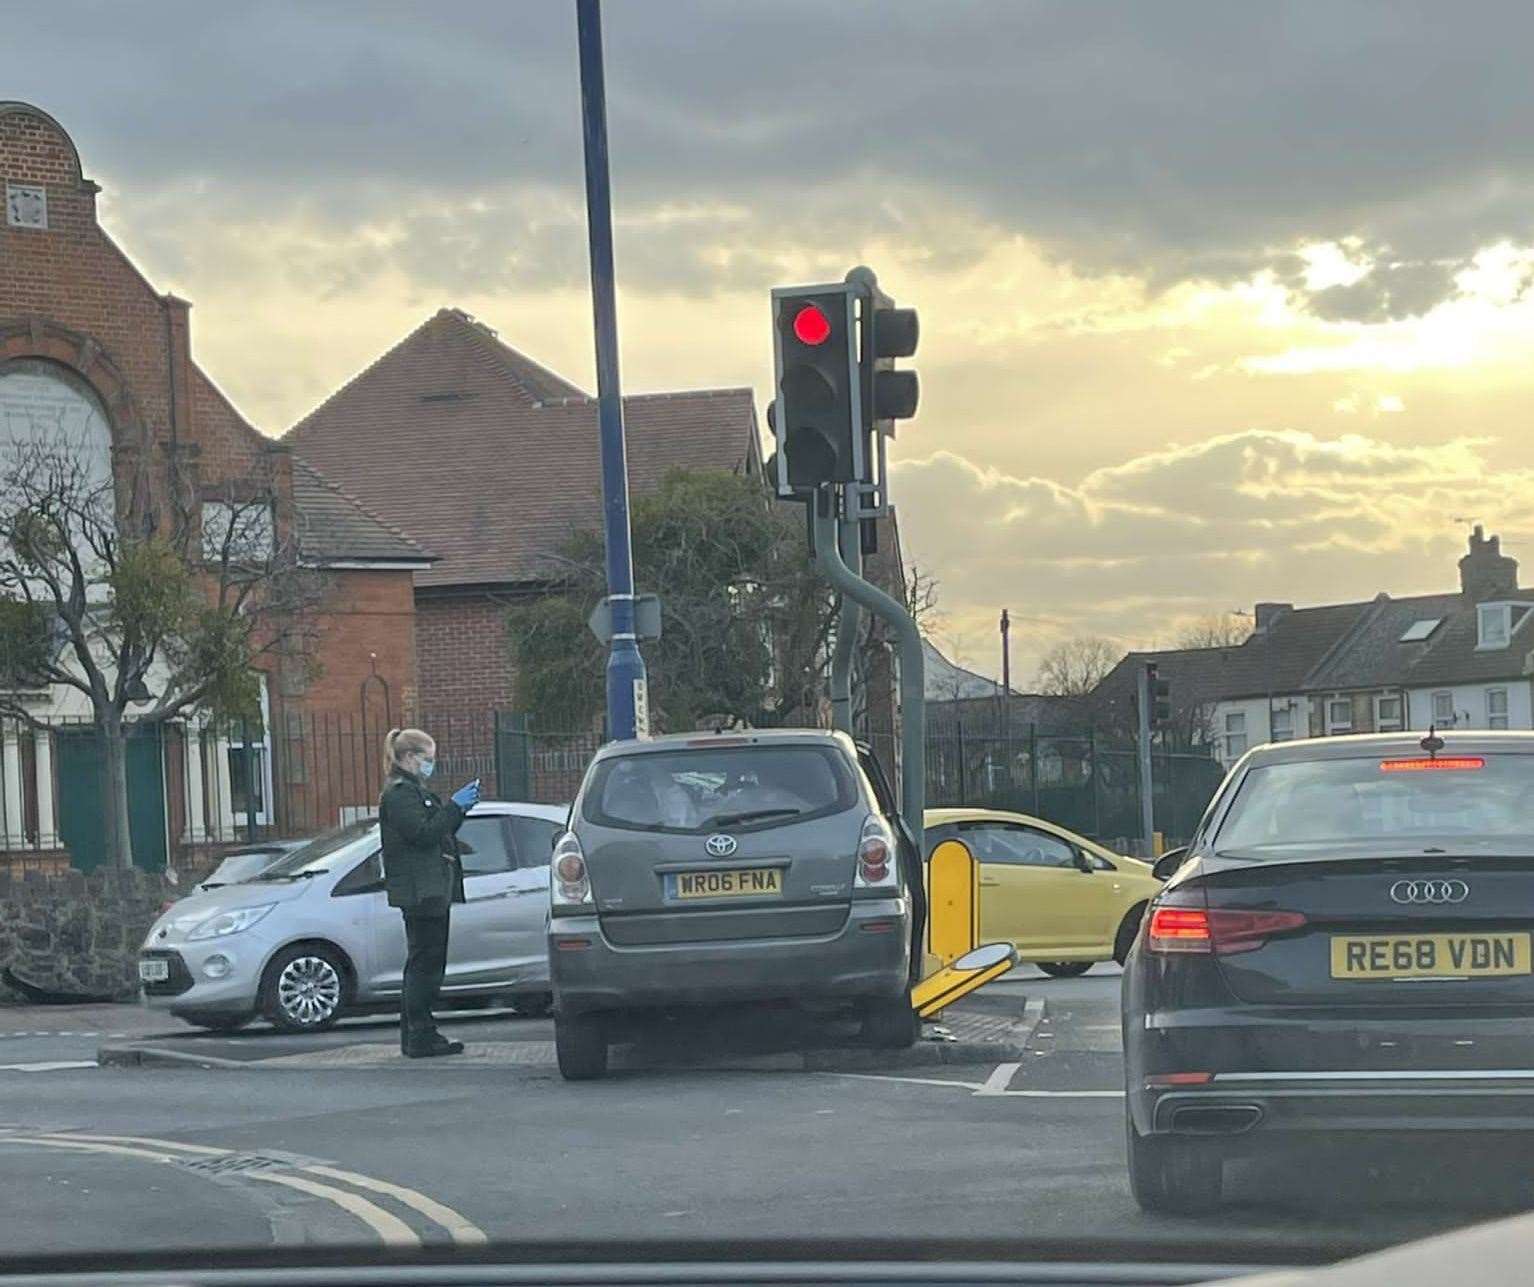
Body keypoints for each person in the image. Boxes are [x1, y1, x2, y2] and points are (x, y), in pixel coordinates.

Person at [378, 727, 480, 1058]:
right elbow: (423, 834)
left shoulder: (411, 791)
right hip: (422, 891)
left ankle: (416, 1033)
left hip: (430, 888)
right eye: (428, 759)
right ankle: (421, 1034)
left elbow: (437, 829)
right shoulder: (400, 794)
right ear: (409, 757)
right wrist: (454, 807)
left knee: (423, 961)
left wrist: (456, 811)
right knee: (426, 963)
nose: (431, 765)